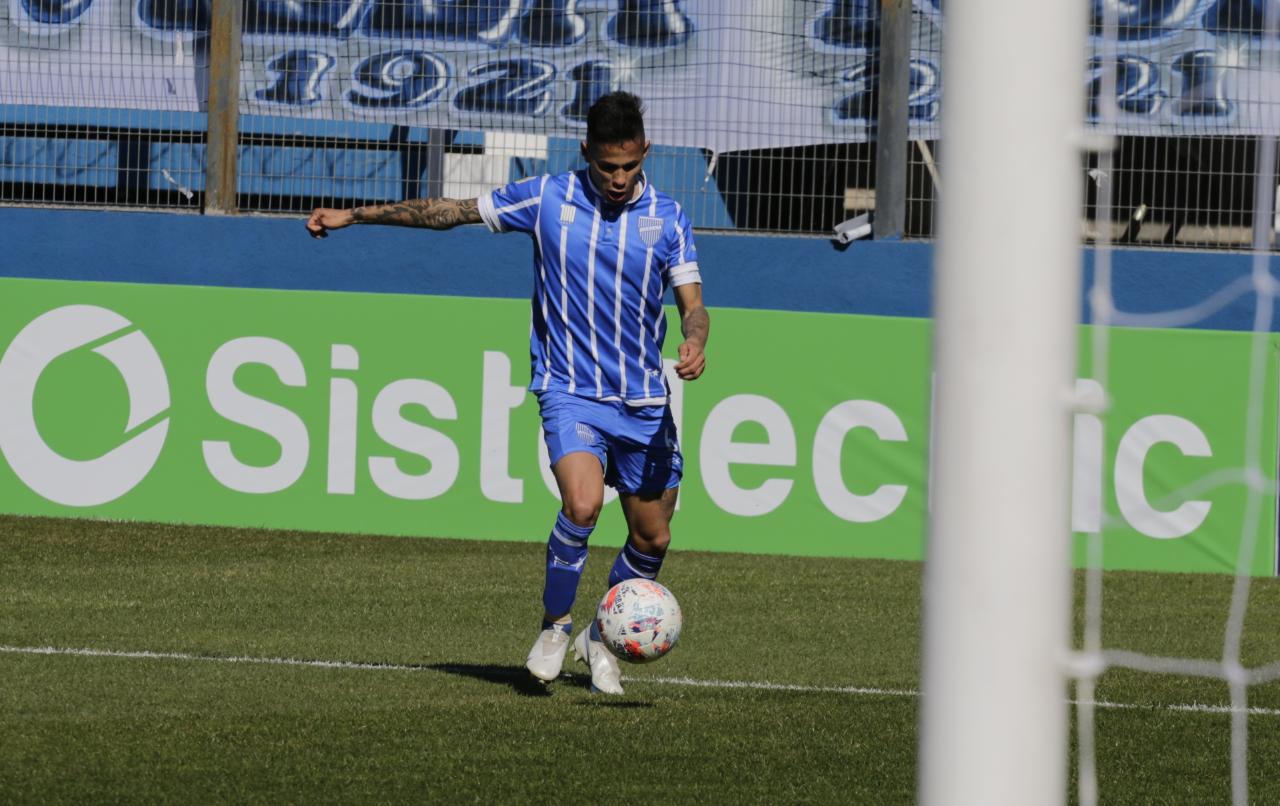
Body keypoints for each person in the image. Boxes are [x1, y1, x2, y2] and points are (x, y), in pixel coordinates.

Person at [305, 91, 709, 695]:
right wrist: (356, 216)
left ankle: (600, 637)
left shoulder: (669, 218)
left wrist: (696, 341)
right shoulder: (548, 196)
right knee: (582, 505)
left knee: (653, 536)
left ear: (644, 153)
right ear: (586, 153)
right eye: (606, 167)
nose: (619, 179)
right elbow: (450, 211)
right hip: (569, 389)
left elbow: (694, 308)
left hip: (645, 401)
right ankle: (555, 625)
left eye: (629, 166)